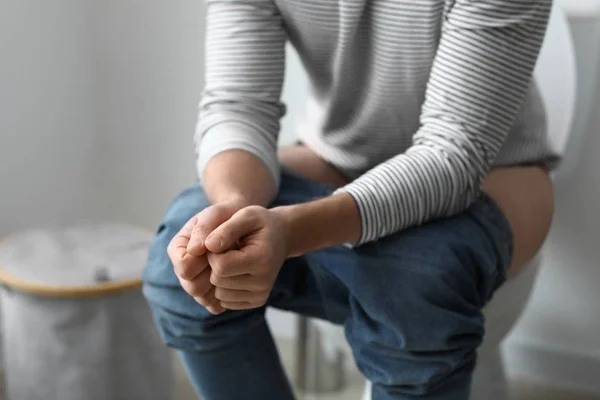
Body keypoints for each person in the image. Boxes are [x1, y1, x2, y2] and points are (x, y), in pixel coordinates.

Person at [143, 1, 557, 399]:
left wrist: (291, 233)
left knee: (413, 299)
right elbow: (237, 104)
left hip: (493, 173)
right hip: (338, 156)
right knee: (179, 265)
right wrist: (235, 213)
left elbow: (453, 154)